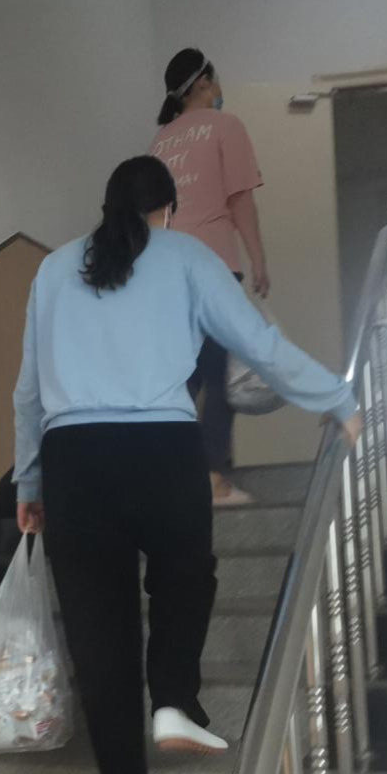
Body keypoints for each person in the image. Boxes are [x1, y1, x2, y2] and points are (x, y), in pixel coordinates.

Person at [13, 157, 361, 774]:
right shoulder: (186, 256)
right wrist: (337, 398)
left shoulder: (52, 270)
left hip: (74, 460)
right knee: (185, 575)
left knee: (101, 648)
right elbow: (258, 344)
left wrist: (29, 483)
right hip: (163, 450)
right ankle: (173, 696)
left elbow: (27, 393)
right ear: (166, 210)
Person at [151, 48, 270, 506]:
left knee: (185, 379)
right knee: (218, 376)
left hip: (166, 274)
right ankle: (213, 478)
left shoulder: (161, 142)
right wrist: (258, 260)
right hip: (214, 267)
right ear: (203, 82)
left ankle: (172, 476)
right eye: (215, 79)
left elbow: (154, 217)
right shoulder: (226, 126)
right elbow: (240, 200)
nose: (219, 88)